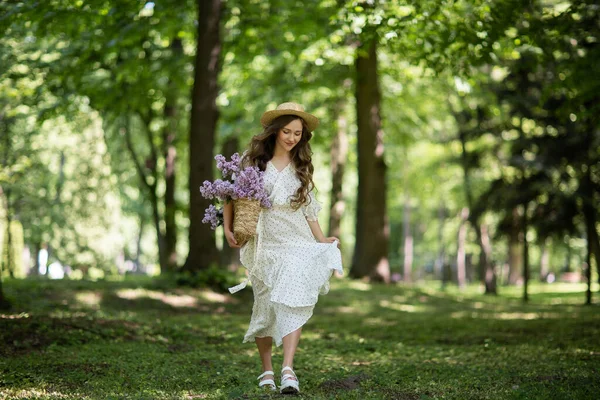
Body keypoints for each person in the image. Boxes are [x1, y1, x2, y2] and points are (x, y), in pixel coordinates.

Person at [223, 102, 343, 394]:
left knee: (294, 298)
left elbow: (309, 210)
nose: (292, 137)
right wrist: (227, 228)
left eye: (297, 133)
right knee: (264, 307)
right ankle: (267, 370)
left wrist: (321, 238)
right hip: (264, 244)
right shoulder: (254, 165)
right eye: (287, 131)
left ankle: (288, 369)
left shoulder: (301, 168)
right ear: (275, 132)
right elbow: (230, 197)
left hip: (296, 241)